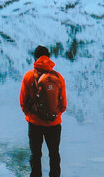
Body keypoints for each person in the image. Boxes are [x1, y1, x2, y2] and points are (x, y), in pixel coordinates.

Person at [20, 45, 67, 177]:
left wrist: (32, 116)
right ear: (49, 57)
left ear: (35, 58)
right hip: (54, 124)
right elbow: (63, 104)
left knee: (35, 155)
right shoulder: (58, 77)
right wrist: (54, 115)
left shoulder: (28, 76)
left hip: (35, 124)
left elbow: (23, 102)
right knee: (54, 154)